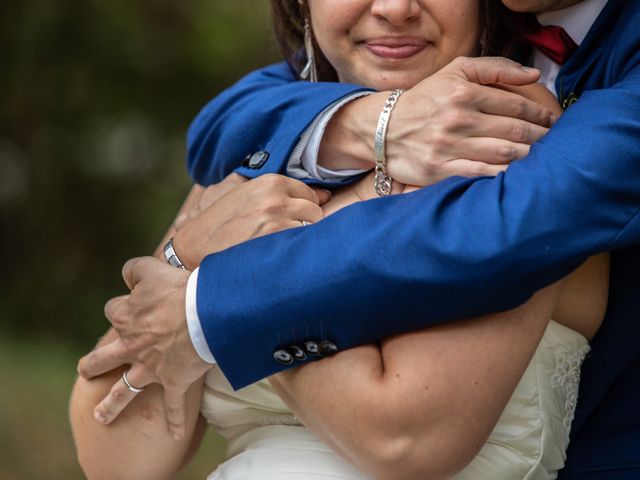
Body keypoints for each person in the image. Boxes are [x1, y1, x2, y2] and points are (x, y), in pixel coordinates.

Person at [77, 0, 640, 478]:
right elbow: (116, 454)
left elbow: (402, 436)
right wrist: (183, 255)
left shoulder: (505, 135)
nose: (395, 7)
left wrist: (223, 284)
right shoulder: (280, 142)